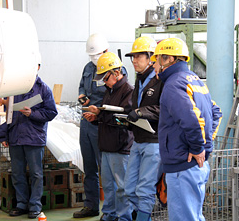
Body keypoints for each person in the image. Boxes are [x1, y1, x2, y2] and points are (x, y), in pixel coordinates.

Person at [152, 37, 222, 221]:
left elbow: (191, 120)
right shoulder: (196, 81)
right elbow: (216, 112)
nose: (153, 65)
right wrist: (205, 145)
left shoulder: (173, 85)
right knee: (194, 216)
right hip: (195, 165)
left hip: (183, 167)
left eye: (156, 59)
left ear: (168, 59)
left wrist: (198, 148)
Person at [0, 60, 58, 219]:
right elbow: (4, 113)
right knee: (17, 173)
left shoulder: (44, 89)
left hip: (34, 138)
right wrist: (3, 135)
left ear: (38, 67)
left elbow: (51, 112)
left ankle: (35, 207)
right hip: (15, 136)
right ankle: (21, 204)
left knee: (36, 174)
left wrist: (32, 114)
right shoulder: (13, 89)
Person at [84, 52, 134, 221]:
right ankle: (110, 215)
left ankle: (124, 217)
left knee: (122, 187)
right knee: (108, 186)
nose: (103, 82)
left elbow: (124, 120)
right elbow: (109, 115)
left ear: (116, 73)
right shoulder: (110, 91)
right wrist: (97, 117)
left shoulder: (129, 92)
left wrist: (100, 114)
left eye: (105, 78)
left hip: (120, 148)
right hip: (106, 145)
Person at [120, 36, 163, 221]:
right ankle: (142, 216)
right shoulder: (139, 80)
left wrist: (141, 112)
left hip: (154, 142)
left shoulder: (161, 80)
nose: (134, 61)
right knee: (129, 189)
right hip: (138, 141)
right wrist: (129, 117)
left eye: (139, 56)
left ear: (151, 57)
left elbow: (165, 109)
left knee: (145, 190)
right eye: (133, 57)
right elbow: (135, 107)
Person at [73, 33, 109, 218]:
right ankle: (91, 206)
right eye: (91, 55)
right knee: (89, 168)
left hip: (101, 125)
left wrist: (98, 114)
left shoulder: (114, 68)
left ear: (106, 51)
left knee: (106, 169)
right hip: (85, 123)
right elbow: (81, 86)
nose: (94, 58)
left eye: (97, 55)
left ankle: (109, 210)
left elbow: (116, 98)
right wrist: (81, 96)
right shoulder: (88, 68)